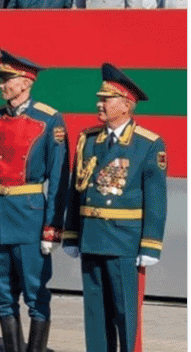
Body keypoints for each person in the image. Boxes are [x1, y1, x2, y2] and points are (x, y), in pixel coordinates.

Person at [63, 64, 166, 352]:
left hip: (125, 242)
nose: (99, 104)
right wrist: (71, 234)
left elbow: (156, 200)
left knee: (126, 314)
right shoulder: (89, 139)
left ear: (126, 104)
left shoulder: (147, 144)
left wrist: (151, 245)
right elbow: (76, 190)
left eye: (106, 99)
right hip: (92, 237)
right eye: (100, 99)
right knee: (95, 316)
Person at [0, 49, 70, 352]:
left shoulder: (49, 119)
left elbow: (58, 180)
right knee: (3, 295)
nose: (1, 84)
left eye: (6, 79)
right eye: (1, 78)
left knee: (36, 294)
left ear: (25, 82)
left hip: (30, 215)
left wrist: (52, 227)